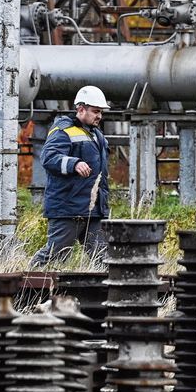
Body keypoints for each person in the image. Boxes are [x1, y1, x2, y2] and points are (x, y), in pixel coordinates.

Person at [30, 85, 111, 267]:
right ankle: (27, 287)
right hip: (68, 209)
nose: (99, 116)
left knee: (104, 258)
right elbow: (49, 157)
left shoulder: (97, 135)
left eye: (101, 112)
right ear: (81, 109)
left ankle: (105, 293)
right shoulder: (63, 130)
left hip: (93, 210)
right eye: (96, 111)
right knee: (54, 255)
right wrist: (74, 163)